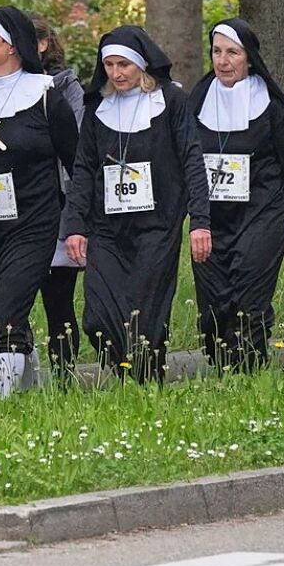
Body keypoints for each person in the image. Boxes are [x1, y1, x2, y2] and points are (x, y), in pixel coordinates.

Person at [62, 26, 211, 383]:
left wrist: (201, 220)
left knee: (147, 313)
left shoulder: (171, 102)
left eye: (124, 65)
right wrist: (75, 226)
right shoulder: (97, 106)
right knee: (97, 316)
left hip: (157, 226)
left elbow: (192, 159)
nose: (117, 73)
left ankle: (147, 382)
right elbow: (83, 169)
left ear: (141, 65)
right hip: (107, 227)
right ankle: (128, 371)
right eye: (109, 65)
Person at [188, 18, 284, 372]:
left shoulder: (273, 108)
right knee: (213, 306)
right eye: (217, 52)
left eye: (232, 53)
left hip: (262, 214)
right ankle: (223, 368)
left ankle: (248, 372)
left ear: (249, 58)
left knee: (249, 300)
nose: (223, 61)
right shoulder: (197, 101)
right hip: (211, 219)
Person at [0, 7, 78, 396]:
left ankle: (0, 401)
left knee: (9, 310)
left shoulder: (46, 96)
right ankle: (26, 388)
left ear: (11, 47)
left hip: (34, 221)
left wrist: (78, 222)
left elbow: (77, 164)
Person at [29, 12, 86, 381]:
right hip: (14, 207)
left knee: (58, 300)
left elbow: (78, 147)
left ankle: (64, 376)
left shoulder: (66, 88)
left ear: (43, 45)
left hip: (57, 203)